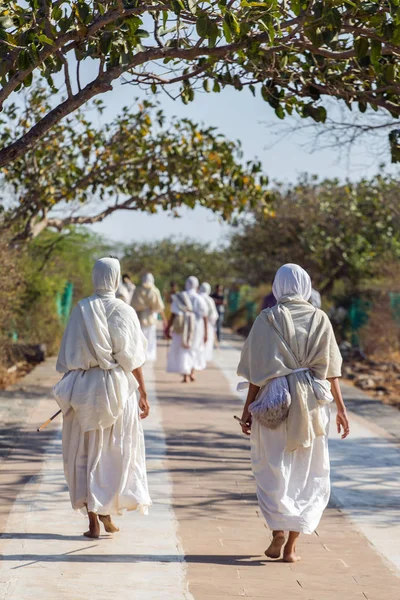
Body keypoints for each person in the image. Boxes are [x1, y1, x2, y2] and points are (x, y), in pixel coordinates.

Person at [237, 263, 349, 563]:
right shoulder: (320, 318)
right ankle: (292, 547)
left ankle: (277, 530)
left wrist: (248, 409)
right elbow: (332, 370)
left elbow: (255, 373)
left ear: (277, 286)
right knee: (306, 470)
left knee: (272, 467)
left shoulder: (266, 319)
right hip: (311, 405)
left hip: (274, 402)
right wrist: (341, 408)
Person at [53, 257, 152, 538]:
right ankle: (106, 509)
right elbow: (133, 359)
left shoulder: (80, 309)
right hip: (118, 389)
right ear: (117, 278)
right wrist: (142, 392)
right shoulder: (124, 311)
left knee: (85, 451)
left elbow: (68, 357)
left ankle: (94, 519)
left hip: (84, 388)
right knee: (112, 451)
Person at [166, 276, 208, 383]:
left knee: (184, 347)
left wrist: (168, 327)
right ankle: (192, 372)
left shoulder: (180, 297)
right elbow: (205, 316)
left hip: (183, 326)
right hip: (197, 327)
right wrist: (206, 332)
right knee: (194, 348)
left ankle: (185, 375)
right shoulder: (200, 299)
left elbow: (173, 314)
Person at [132, 273, 166, 362]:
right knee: (150, 337)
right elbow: (159, 307)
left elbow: (133, 304)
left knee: (141, 336)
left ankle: (141, 355)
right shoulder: (154, 290)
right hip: (151, 316)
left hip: (140, 316)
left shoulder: (138, 290)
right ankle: (149, 355)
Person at [199, 282, 219, 362]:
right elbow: (214, 315)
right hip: (208, 325)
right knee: (206, 342)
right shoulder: (210, 300)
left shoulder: (197, 297)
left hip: (196, 324)